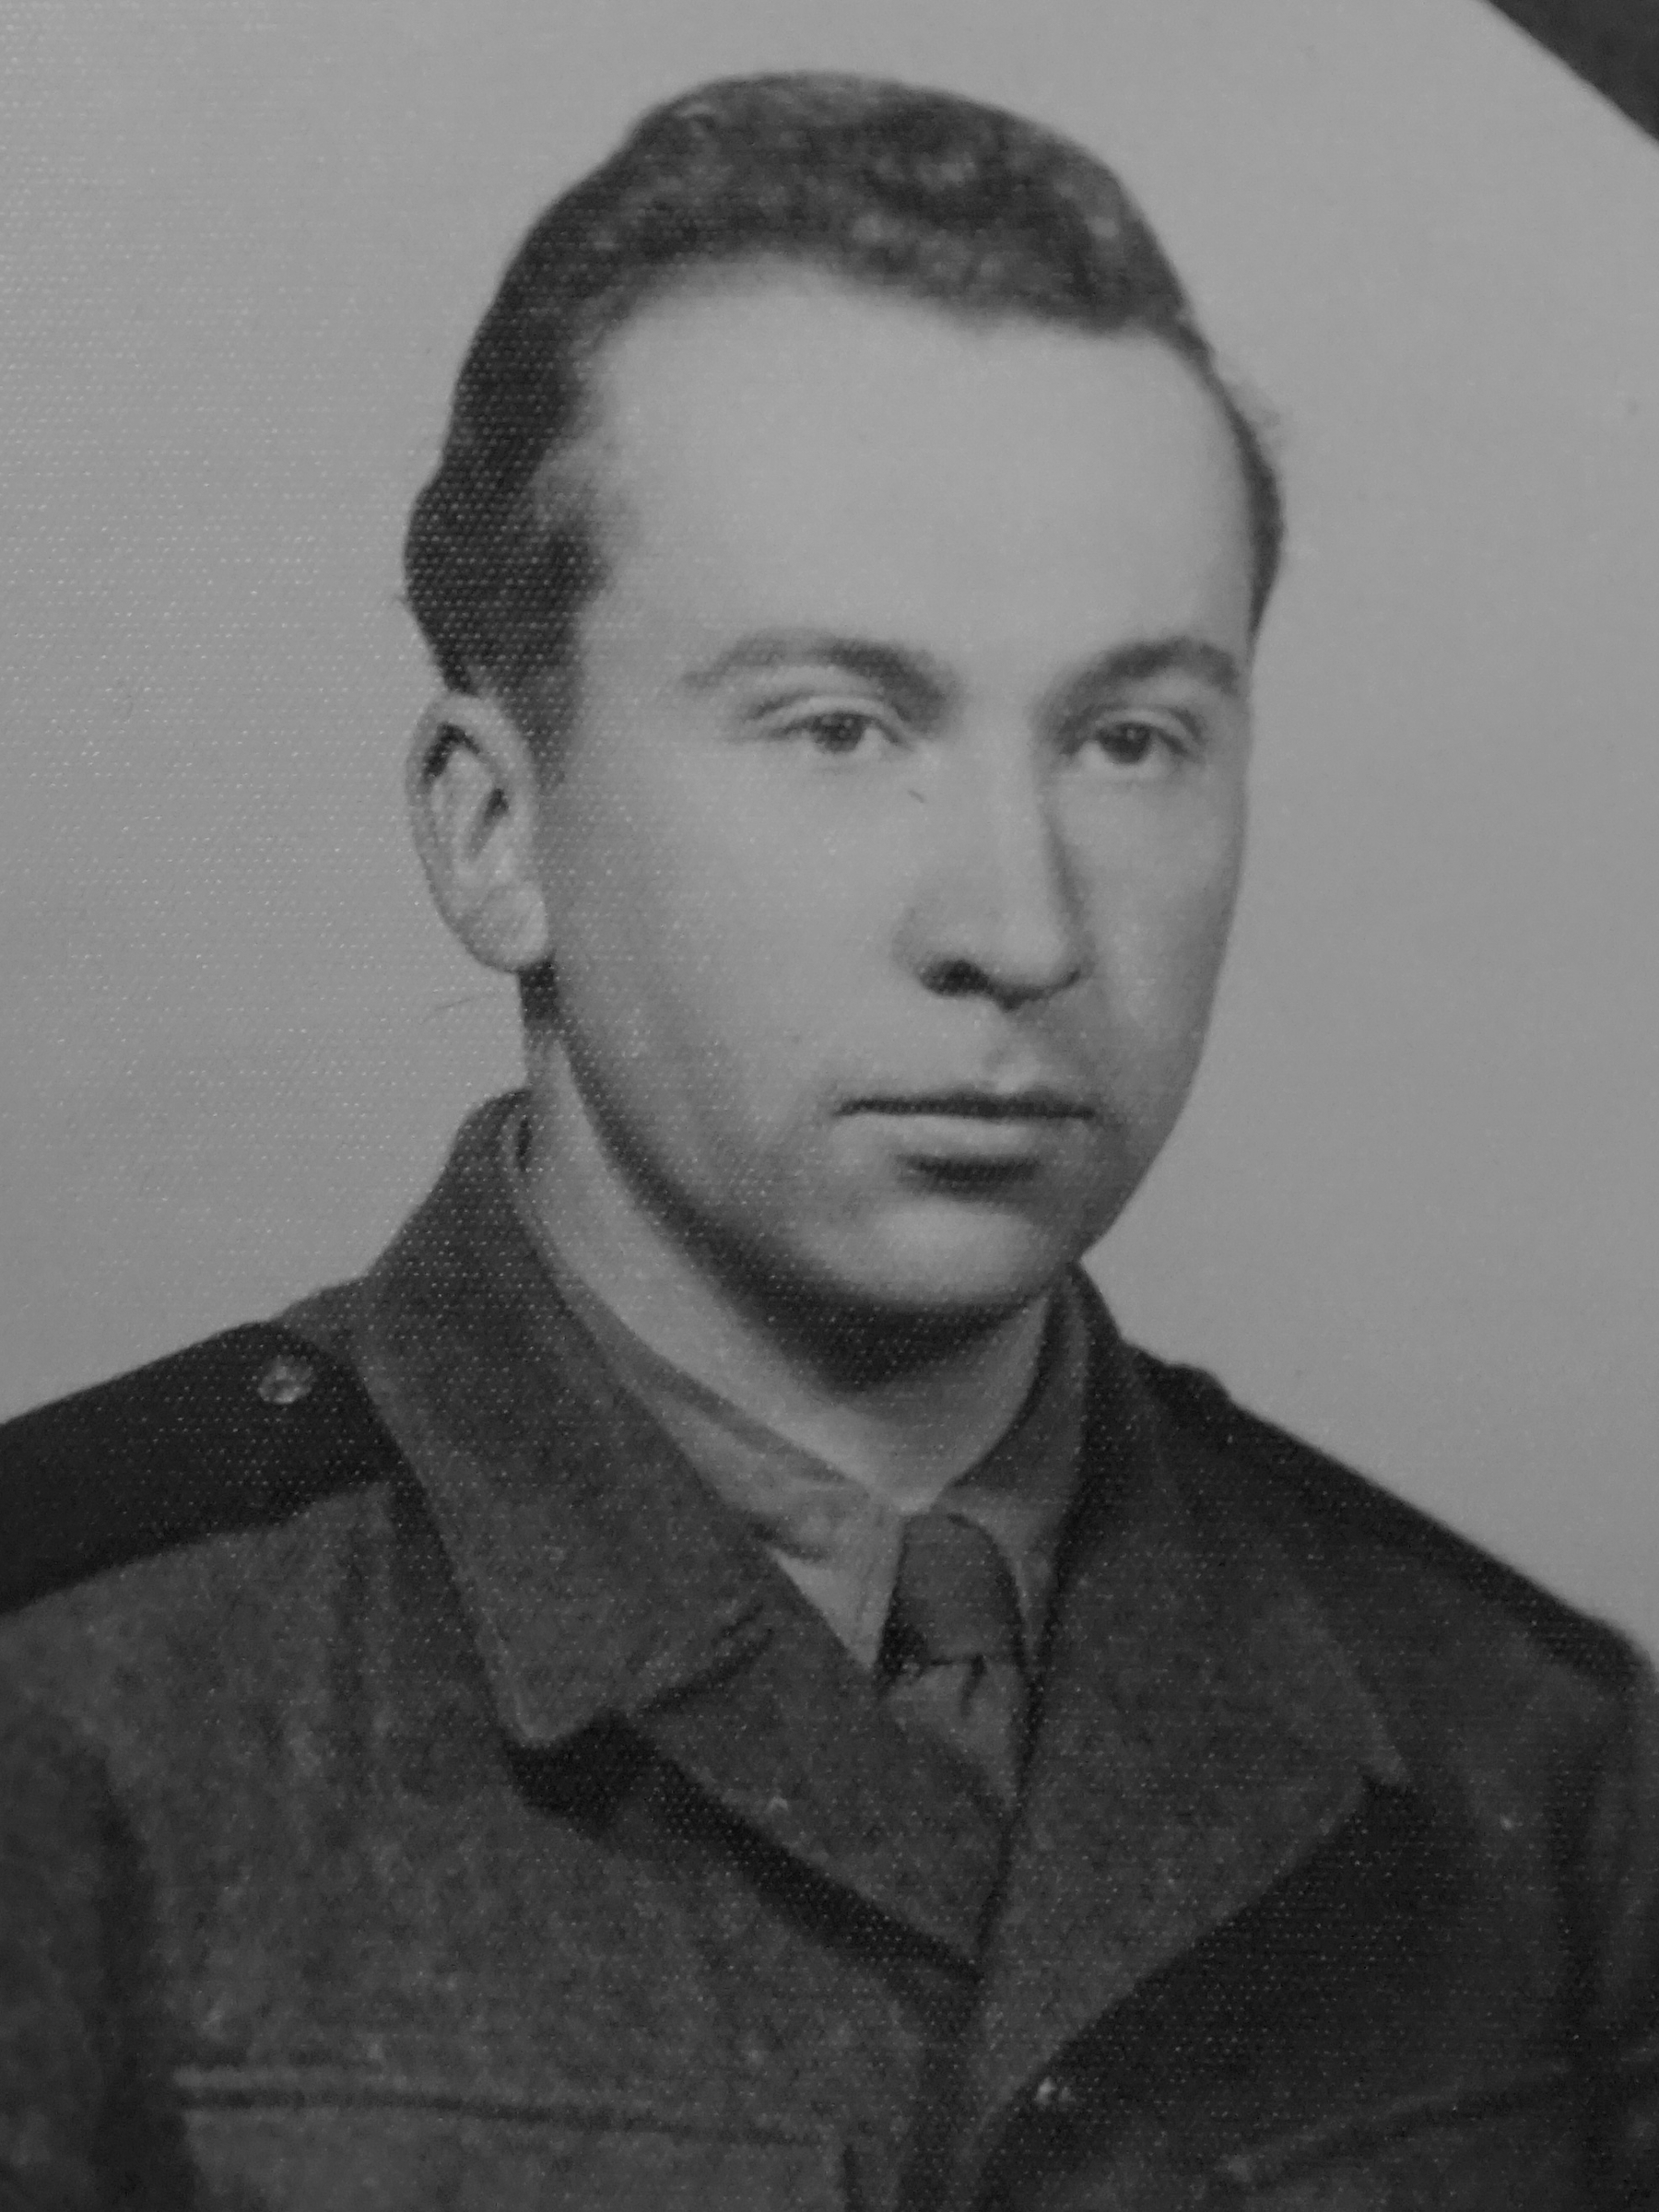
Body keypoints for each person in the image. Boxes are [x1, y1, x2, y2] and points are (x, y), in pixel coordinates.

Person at [1, 71, 1655, 2212]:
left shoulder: (1536, 1755)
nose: (1020, 926)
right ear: (496, 834)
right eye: (841, 727)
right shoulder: (71, 1698)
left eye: (1130, 738)